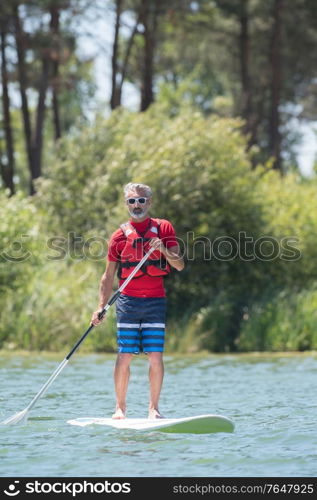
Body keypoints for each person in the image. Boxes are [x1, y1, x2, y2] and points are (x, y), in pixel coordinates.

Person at [91, 182, 184, 419]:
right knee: (125, 355)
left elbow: (179, 264)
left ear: (149, 203)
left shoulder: (163, 228)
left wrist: (162, 248)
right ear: (127, 204)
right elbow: (108, 275)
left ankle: (154, 408)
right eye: (132, 201)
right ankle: (120, 408)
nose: (137, 205)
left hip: (155, 302)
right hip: (128, 303)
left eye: (141, 201)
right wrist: (100, 306)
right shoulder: (119, 236)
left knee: (155, 355)